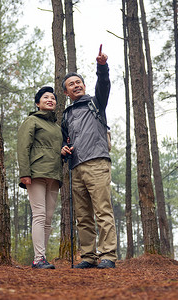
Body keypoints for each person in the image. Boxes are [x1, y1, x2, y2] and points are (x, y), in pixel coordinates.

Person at [61, 45, 117, 269]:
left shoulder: (96, 102)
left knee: (103, 210)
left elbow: (103, 85)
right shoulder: (66, 115)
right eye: (71, 85)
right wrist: (62, 150)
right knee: (83, 216)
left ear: (84, 85)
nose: (76, 86)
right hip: (76, 168)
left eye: (78, 82)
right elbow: (64, 142)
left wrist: (101, 68)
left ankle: (108, 255)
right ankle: (89, 256)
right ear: (66, 92)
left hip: (97, 163)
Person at [17, 86, 62, 269]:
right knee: (39, 215)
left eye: (52, 97)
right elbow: (23, 147)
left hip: (54, 174)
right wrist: (24, 173)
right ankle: (38, 258)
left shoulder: (58, 127)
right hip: (36, 174)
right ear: (38, 103)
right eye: (45, 97)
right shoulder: (31, 121)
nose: (50, 99)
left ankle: (42, 257)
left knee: (49, 218)